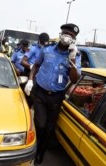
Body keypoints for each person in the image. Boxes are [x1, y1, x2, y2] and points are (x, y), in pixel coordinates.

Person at [24, 23, 81, 165]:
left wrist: (72, 59)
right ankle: (34, 149)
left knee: (49, 128)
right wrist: (31, 80)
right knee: (41, 124)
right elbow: (36, 65)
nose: (67, 36)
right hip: (40, 93)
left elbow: (74, 79)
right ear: (61, 34)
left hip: (56, 97)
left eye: (71, 35)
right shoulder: (47, 49)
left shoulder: (75, 55)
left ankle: (40, 153)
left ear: (74, 39)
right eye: (65, 33)